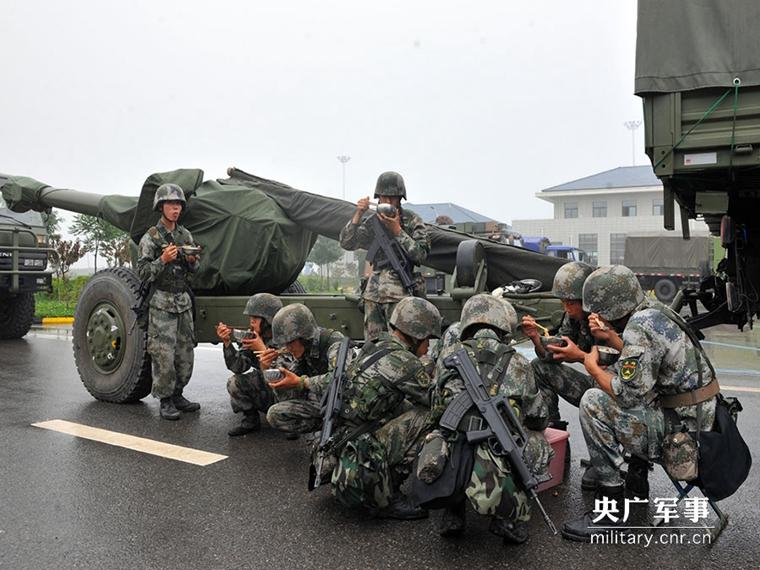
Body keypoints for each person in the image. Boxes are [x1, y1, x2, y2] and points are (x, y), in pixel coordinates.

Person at [561, 265, 718, 542]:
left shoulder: (639, 327)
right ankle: (635, 477)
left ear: (612, 306)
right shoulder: (654, 313)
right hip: (703, 420)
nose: (595, 316)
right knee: (607, 386)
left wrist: (590, 365)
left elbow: (627, 393)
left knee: (593, 401)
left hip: (687, 438)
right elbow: (646, 362)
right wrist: (612, 341)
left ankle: (611, 509)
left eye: (598, 310)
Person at [270, 297, 442, 520]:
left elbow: (338, 381)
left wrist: (302, 381)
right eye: (427, 339)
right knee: (427, 415)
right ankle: (388, 493)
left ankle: (357, 471)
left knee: (401, 404)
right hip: (361, 442)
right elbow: (436, 402)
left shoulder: (372, 346)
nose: (428, 346)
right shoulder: (406, 362)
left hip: (339, 440)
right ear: (416, 334)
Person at [431, 293, 552, 544]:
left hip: (456, 447)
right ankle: (507, 518)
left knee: (439, 436)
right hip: (499, 449)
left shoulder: (447, 355)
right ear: (502, 326)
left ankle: (453, 512)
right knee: (539, 444)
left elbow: (434, 408)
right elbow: (538, 417)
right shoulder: (518, 362)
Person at [339, 171, 430, 341]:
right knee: (373, 344)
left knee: (400, 343)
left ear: (400, 198)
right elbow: (347, 242)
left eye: (393, 198)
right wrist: (358, 214)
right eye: (384, 197)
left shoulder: (411, 220)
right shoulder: (374, 221)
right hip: (373, 293)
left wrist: (398, 231)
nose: (388, 202)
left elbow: (421, 254)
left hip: (400, 292)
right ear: (378, 198)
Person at [137, 183, 201, 421]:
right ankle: (165, 400)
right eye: (171, 205)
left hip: (183, 301)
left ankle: (178, 394)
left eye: (178, 205)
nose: (175, 209)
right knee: (163, 354)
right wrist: (162, 259)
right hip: (162, 303)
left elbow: (195, 269)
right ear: (161, 207)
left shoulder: (185, 235)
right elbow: (142, 272)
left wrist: (193, 260)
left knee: (185, 354)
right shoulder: (151, 238)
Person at [263, 304, 345, 435]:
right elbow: (288, 397)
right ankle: (322, 433)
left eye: (290, 342)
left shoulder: (335, 343)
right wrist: (279, 381)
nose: (287, 348)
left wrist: (302, 382)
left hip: (344, 406)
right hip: (322, 403)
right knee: (275, 414)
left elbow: (341, 381)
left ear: (304, 336)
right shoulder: (304, 349)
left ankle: (339, 431)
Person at [216, 293, 284, 436]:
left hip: (286, 390)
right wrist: (227, 343)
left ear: (268, 320)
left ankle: (290, 422)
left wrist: (262, 349)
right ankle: (250, 419)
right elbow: (238, 367)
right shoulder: (252, 336)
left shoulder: (286, 337)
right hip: (267, 388)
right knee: (234, 382)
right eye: (250, 318)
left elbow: (288, 373)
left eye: (255, 318)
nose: (251, 322)